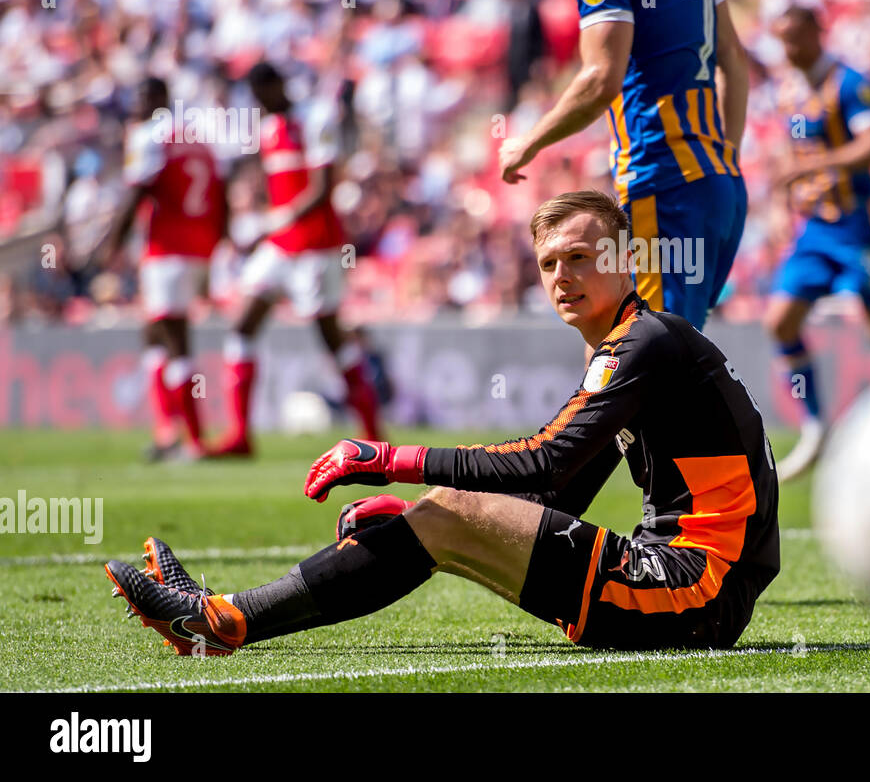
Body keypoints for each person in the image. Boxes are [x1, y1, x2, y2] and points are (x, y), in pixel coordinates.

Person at [105, 191, 780, 653]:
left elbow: (544, 459)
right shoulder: (631, 342)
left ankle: (223, 620)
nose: (561, 276)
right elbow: (560, 494)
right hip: (693, 587)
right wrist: (413, 510)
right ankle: (222, 615)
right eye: (549, 263)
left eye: (580, 257)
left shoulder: (645, 343)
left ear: (624, 261)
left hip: (696, 590)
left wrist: (391, 458)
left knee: (445, 513)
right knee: (439, 516)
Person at [498, 0, 751, 331]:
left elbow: (600, 79)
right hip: (718, 186)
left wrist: (528, 141)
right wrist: (725, 157)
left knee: (652, 354)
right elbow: (734, 63)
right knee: (670, 352)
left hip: (663, 181)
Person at [764, 7, 870, 482]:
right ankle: (816, 425)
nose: (788, 50)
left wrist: (810, 169)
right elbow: (790, 157)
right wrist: (779, 204)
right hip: (815, 227)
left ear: (816, 32)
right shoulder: (789, 90)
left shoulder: (849, 84)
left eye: (795, 38)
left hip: (859, 225)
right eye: (781, 41)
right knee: (780, 321)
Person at [209, 62, 382, 456]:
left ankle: (374, 436)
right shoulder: (270, 130)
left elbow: (322, 189)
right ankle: (239, 435)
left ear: (276, 86)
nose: (260, 105)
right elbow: (280, 189)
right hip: (281, 246)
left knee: (330, 337)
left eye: (261, 96)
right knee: (241, 325)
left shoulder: (315, 117)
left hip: (317, 247)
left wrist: (275, 218)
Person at [89, 77, 227, 461]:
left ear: (159, 99)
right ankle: (167, 429)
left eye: (142, 96)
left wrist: (110, 244)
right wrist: (218, 242)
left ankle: (195, 441)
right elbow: (221, 190)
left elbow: (138, 190)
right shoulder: (196, 137)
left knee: (175, 337)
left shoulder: (150, 135)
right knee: (155, 333)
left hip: (168, 247)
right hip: (198, 245)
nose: (135, 104)